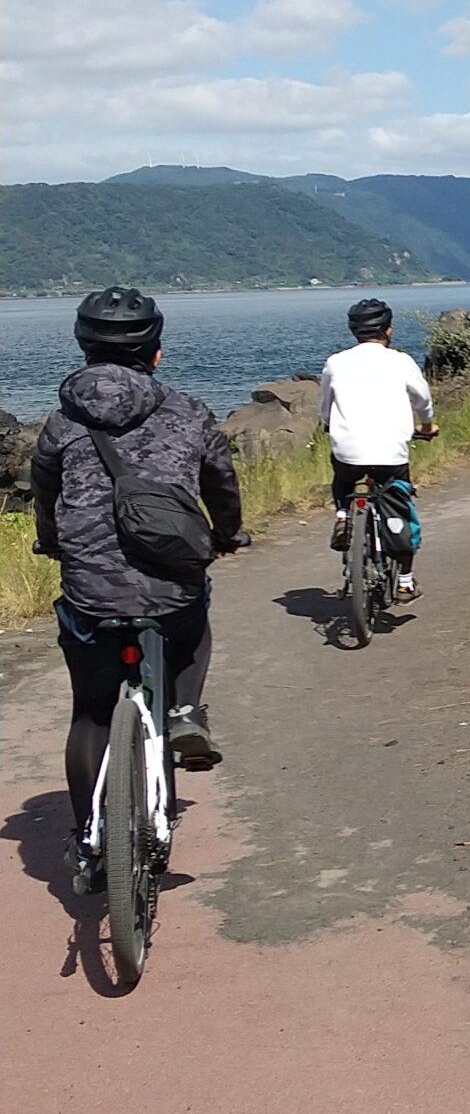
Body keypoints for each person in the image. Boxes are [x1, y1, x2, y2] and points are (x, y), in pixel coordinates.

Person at [30, 286, 245, 889]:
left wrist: (53, 542)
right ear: (155, 352)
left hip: (90, 594)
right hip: (171, 589)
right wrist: (228, 534)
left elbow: (47, 498)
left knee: (92, 714)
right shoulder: (190, 412)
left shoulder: (60, 423)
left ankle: (89, 846)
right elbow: (221, 485)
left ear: (84, 349)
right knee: (193, 617)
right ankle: (182, 709)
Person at [319, 299, 436, 600]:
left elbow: (325, 404)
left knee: (343, 479)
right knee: (400, 503)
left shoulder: (335, 362)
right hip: (390, 453)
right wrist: (426, 425)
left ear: (354, 331)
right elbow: (422, 398)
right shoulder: (401, 361)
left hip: (348, 451)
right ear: (388, 329)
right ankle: (406, 581)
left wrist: (326, 424)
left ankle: (344, 515)